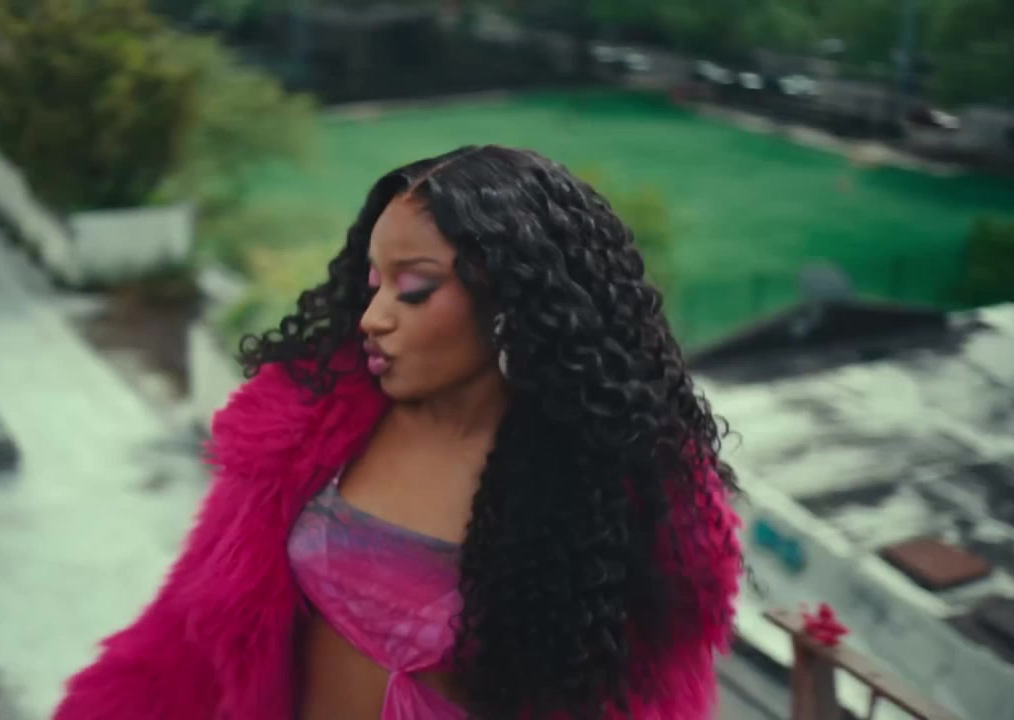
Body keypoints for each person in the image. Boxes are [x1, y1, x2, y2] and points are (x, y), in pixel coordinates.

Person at [54, 146, 743, 720]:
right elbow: (180, 642)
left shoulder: (625, 488)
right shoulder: (304, 423)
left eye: (413, 287)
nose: (373, 316)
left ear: (511, 297)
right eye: (374, 282)